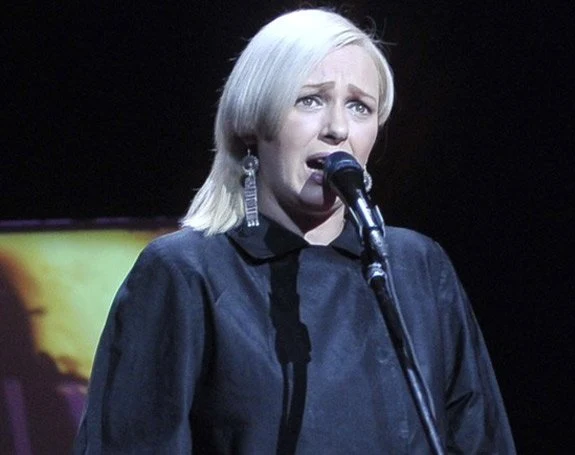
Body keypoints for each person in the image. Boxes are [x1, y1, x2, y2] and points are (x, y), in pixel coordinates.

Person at [74, 8, 516, 454]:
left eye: (359, 106)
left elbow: (481, 439)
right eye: (310, 100)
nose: (337, 129)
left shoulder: (417, 269)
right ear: (252, 120)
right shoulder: (186, 273)